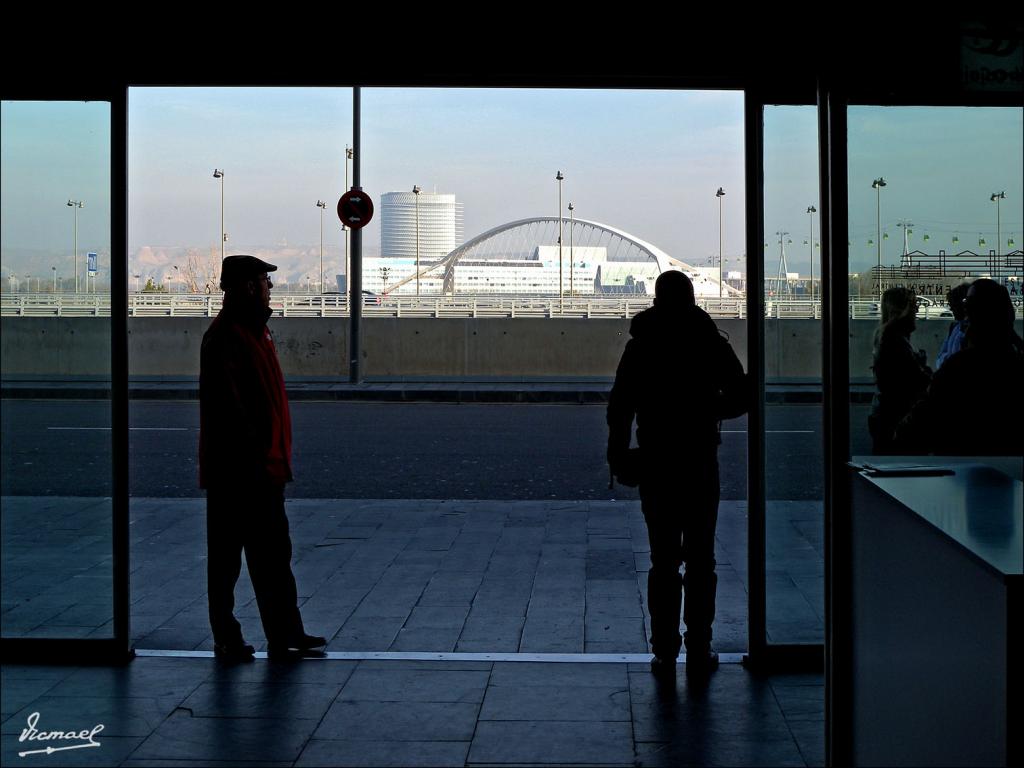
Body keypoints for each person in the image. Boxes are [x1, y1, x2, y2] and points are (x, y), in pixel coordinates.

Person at [607, 271, 747, 678]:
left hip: (656, 461)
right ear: (690, 297)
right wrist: (707, 411)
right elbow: (741, 395)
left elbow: (620, 407)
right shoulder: (709, 342)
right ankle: (700, 647)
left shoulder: (641, 345)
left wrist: (617, 455)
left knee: (662, 561)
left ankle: (664, 649)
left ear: (656, 298)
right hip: (700, 460)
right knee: (702, 559)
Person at [199, 254, 325, 661]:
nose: (271, 287)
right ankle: (228, 637)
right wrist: (256, 458)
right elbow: (230, 410)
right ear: (249, 287)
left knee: (273, 556)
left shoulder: (256, 331)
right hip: (240, 472)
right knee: (227, 561)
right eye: (265, 281)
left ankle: (285, 632)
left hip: (263, 469)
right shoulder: (226, 337)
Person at [895, 278, 1023, 455]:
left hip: (958, 470)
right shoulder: (1015, 364)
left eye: (966, 304)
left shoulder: (957, 368)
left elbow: (911, 430)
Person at [867, 286, 931, 454]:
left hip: (886, 415)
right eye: (914, 306)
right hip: (897, 418)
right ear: (903, 310)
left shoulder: (887, 336)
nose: (917, 311)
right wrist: (923, 369)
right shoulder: (896, 342)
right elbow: (913, 382)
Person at [934, 282, 969, 370]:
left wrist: (947, 359)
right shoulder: (954, 327)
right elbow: (939, 359)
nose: (951, 309)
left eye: (953, 305)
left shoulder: (973, 331)